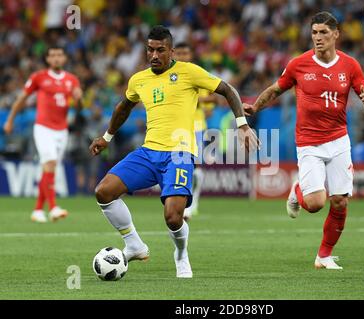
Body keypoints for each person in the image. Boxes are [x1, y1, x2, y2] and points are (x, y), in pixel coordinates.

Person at [89, 26, 258, 278]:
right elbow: (123, 107)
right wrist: (106, 137)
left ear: (171, 51)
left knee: (173, 217)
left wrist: (242, 125)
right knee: (104, 192)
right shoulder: (139, 79)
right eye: (150, 49)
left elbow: (228, 90)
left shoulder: (188, 72)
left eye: (160, 50)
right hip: (148, 152)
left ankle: (181, 255)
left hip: (179, 153)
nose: (154, 55)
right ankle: (134, 245)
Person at [244, 12, 364, 270]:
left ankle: (324, 256)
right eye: (314, 33)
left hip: (339, 140)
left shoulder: (350, 65)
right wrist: (255, 108)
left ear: (336, 34)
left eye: (323, 33)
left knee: (340, 201)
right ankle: (297, 191)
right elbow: (275, 89)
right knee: (316, 203)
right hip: (309, 142)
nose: (318, 38)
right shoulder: (298, 64)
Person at [3, 46, 82, 223]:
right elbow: (21, 99)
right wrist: (10, 120)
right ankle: (53, 207)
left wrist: (79, 99)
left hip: (62, 130)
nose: (56, 58)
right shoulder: (38, 77)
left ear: (64, 58)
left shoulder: (72, 80)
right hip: (43, 128)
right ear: (47, 59)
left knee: (49, 170)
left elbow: (79, 108)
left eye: (59, 55)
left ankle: (38, 210)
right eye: (52, 55)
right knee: (51, 164)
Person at [173, 42, 218, 221]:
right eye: (180, 54)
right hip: (176, 128)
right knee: (179, 167)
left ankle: (192, 206)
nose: (183, 57)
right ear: (174, 55)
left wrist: (196, 100)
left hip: (197, 127)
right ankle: (180, 204)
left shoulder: (198, 75)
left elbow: (212, 103)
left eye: (186, 53)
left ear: (190, 56)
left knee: (195, 167)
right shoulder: (171, 76)